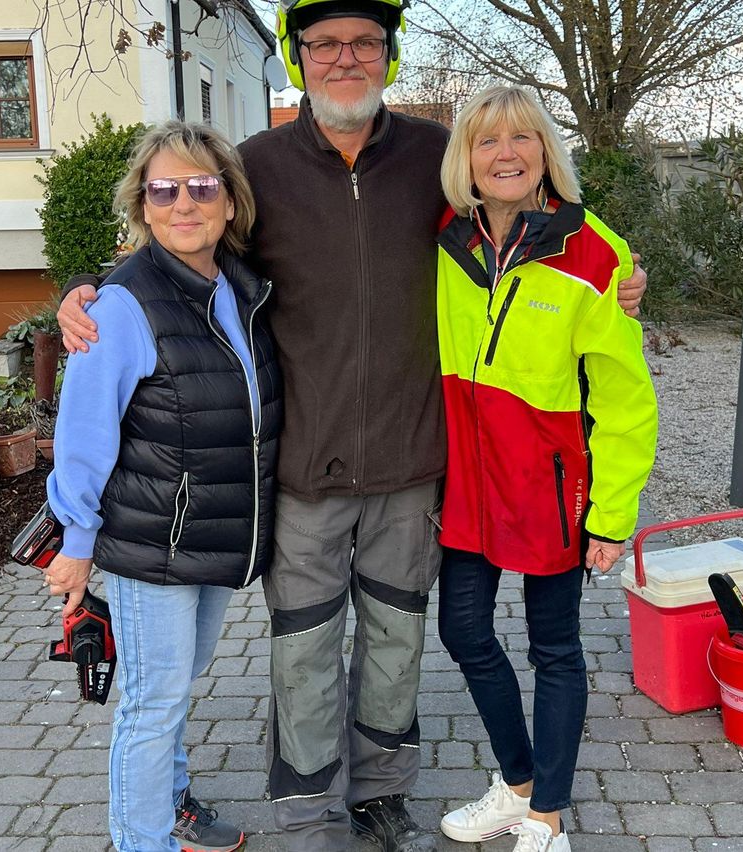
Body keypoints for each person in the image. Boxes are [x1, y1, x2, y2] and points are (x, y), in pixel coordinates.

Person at [57, 4, 648, 850]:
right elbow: (186, 245)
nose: (345, 58)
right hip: (303, 464)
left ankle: (379, 792)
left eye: (364, 42)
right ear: (299, 60)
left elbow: (532, 231)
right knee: (302, 648)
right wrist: (90, 287)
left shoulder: (431, 160)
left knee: (395, 643)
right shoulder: (258, 166)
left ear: (388, 56)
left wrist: (626, 273)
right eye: (325, 44)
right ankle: (306, 808)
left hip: (414, 463)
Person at [43, 120, 282, 852]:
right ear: (143, 206)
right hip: (154, 542)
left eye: (202, 187)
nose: (185, 202)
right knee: (151, 702)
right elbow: (84, 436)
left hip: (213, 532)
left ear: (230, 203)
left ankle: (172, 806)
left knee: (175, 685)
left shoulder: (240, 288)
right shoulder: (122, 305)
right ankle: (140, 839)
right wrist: (75, 544)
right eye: (165, 189)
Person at [434, 85, 658, 852]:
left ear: (545, 151)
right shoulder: (444, 238)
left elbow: (629, 403)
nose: (505, 155)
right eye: (486, 141)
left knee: (554, 646)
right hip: (467, 483)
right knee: (463, 630)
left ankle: (548, 819)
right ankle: (518, 781)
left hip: (555, 491)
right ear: (465, 157)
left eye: (521, 139)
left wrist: (613, 515)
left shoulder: (596, 254)